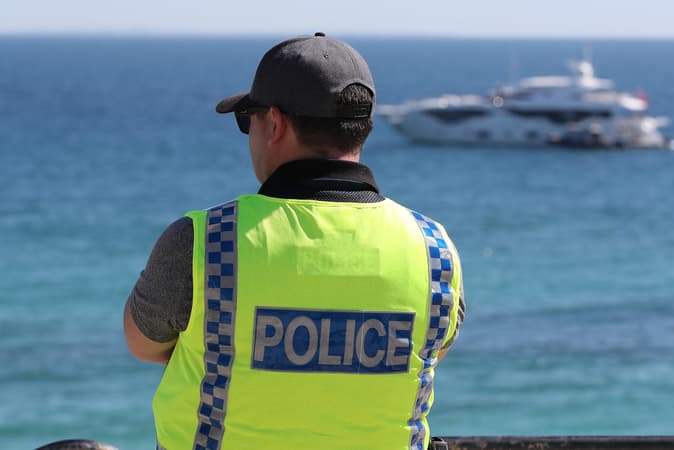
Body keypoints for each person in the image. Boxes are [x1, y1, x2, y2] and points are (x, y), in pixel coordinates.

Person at [123, 32, 465, 450]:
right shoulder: (434, 250)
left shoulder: (205, 242)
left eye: (247, 119)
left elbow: (143, 344)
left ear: (275, 123)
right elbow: (430, 352)